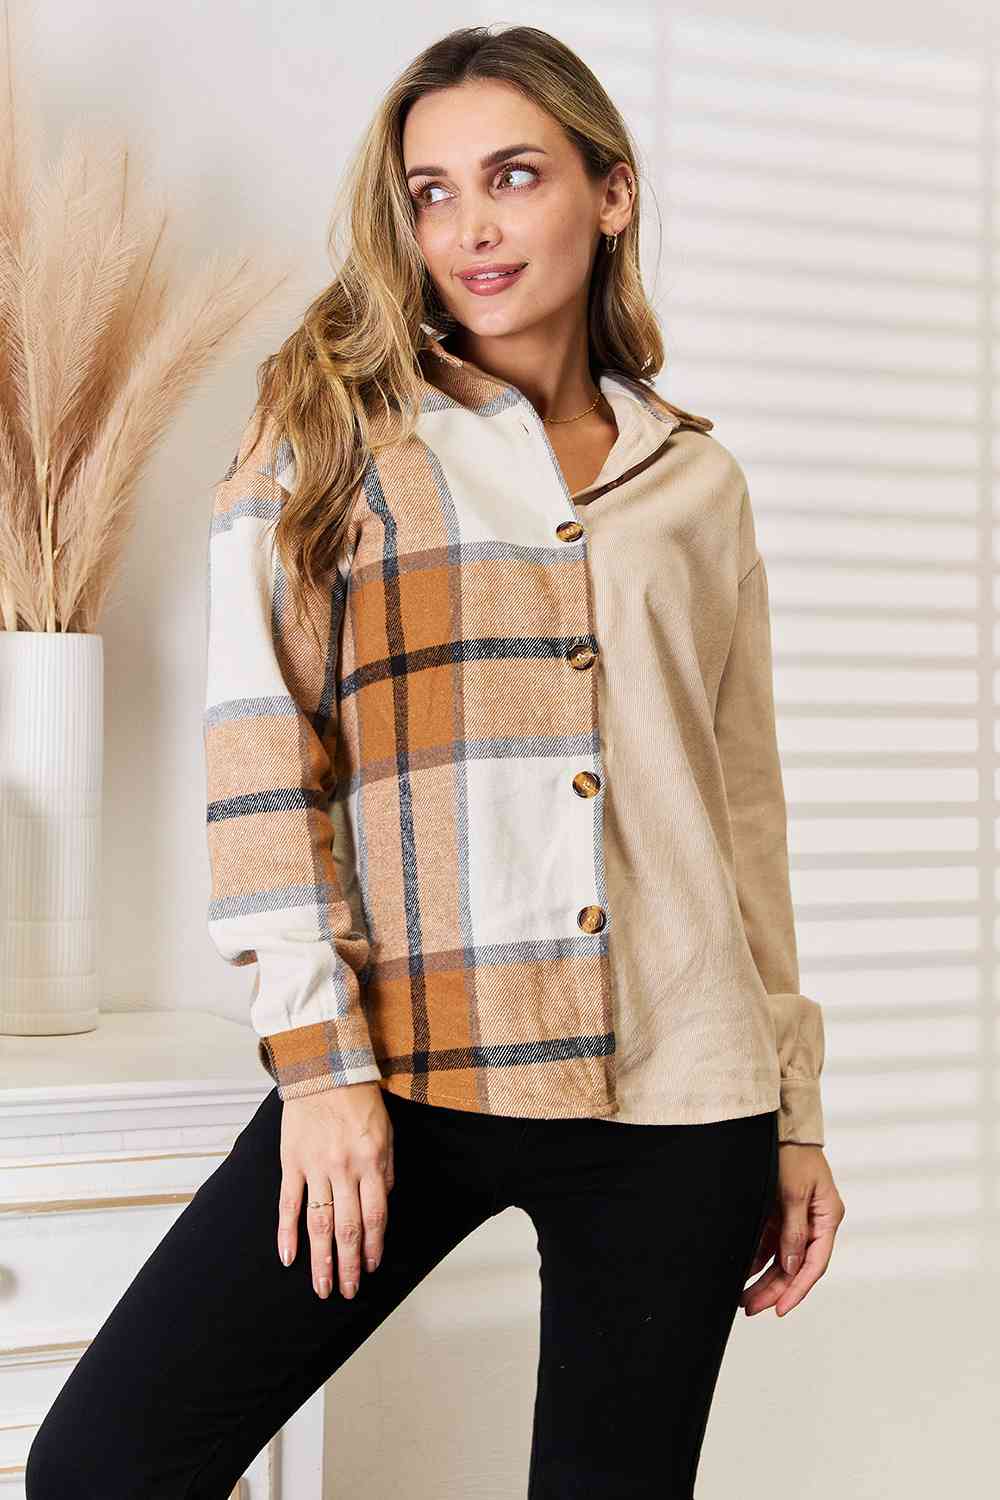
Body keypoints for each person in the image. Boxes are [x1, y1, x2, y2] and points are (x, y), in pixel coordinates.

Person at [26, 22, 846, 1500]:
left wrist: (794, 1113)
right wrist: (320, 1075)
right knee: (109, 1461)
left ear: (611, 193)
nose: (470, 224)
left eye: (515, 176)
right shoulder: (333, 433)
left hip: (683, 1088)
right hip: (408, 1069)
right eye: (431, 191)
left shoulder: (696, 481)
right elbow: (262, 753)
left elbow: (743, 812)